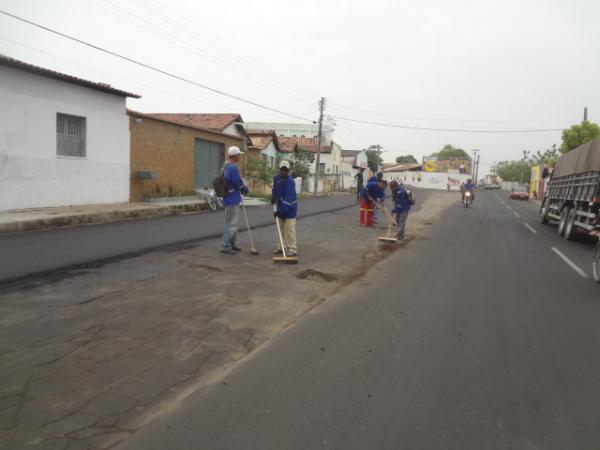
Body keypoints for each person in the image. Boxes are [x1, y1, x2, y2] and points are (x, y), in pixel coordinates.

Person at [221, 146, 249, 254]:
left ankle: (231, 243)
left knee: (232, 223)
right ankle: (226, 245)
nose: (240, 157)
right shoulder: (232, 167)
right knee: (231, 224)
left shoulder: (226, 165)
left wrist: (241, 188)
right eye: (239, 155)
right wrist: (244, 188)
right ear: (235, 156)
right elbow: (237, 181)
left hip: (231, 197)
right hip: (232, 198)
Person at [272, 161, 298, 256]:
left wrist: (279, 212)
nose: (283, 171)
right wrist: (273, 196)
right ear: (279, 169)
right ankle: (281, 247)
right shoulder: (276, 178)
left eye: (285, 170)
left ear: (288, 171)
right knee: (280, 228)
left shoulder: (290, 181)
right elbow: (274, 189)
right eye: (282, 169)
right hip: (280, 206)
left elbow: (288, 199)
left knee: (289, 229)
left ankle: (292, 248)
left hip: (290, 208)